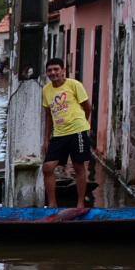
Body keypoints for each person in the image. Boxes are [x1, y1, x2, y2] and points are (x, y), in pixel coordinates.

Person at [41, 57, 93, 209]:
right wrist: (46, 138)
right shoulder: (46, 90)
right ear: (47, 73)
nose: (53, 72)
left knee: (78, 167)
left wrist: (84, 125)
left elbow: (87, 107)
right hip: (59, 134)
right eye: (50, 70)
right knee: (48, 167)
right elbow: (49, 116)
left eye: (56, 69)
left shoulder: (74, 85)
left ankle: (80, 203)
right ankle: (52, 204)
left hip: (77, 131)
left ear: (63, 70)